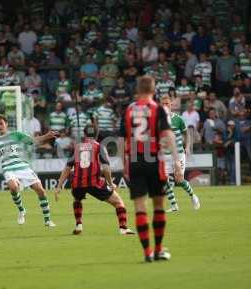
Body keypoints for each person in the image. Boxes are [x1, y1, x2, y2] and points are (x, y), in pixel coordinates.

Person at [120, 76, 183, 262]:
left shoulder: (129, 110)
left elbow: (122, 139)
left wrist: (124, 162)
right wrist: (177, 161)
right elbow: (168, 135)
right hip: (155, 161)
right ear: (154, 90)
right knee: (158, 205)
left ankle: (147, 253)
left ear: (137, 90)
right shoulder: (157, 109)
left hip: (135, 161)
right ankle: (158, 249)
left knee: (139, 206)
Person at [55, 125, 134, 235]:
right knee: (119, 203)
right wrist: (110, 184)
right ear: (97, 135)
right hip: (94, 182)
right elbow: (106, 168)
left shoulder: (77, 147)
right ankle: (123, 228)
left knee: (77, 199)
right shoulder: (99, 147)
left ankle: (78, 225)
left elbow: (68, 167)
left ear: (85, 134)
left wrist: (59, 185)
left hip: (77, 183)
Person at [0, 115, 57, 227]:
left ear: (6, 123)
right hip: (8, 169)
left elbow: (33, 141)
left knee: (40, 190)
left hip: (23, 167)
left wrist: (47, 136)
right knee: (13, 187)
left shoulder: (16, 135)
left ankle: (47, 220)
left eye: (1, 123)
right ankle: (22, 210)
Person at [160, 95, 200, 212]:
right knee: (164, 180)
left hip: (178, 154)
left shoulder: (178, 119)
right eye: (163, 104)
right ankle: (174, 206)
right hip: (165, 155)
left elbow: (187, 134)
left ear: (171, 105)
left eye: (167, 104)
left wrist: (187, 147)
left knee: (179, 180)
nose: (165, 106)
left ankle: (193, 196)